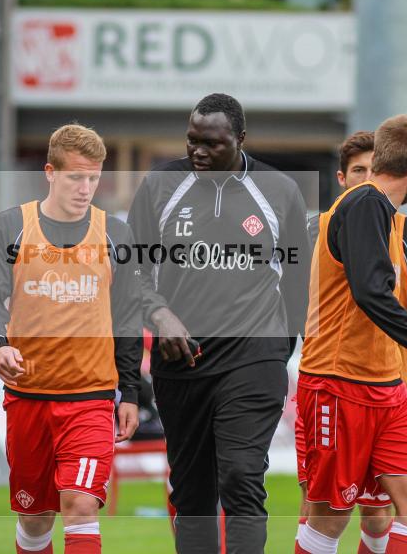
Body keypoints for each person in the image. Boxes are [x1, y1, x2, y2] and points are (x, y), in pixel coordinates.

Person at [127, 93, 311, 553]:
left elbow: (297, 285)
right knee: (191, 494)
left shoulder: (280, 190)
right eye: (191, 141)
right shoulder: (160, 185)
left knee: (241, 477)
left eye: (212, 143)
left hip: (254, 358)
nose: (199, 153)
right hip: (180, 362)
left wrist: (276, 353)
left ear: (240, 140)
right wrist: (159, 313)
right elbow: (129, 269)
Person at [296, 114, 407, 554]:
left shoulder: (393, 220)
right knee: (329, 518)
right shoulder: (364, 204)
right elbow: (372, 293)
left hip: (388, 388)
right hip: (339, 382)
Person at [0, 123, 142, 554]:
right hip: (28, 396)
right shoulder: (11, 227)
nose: (85, 188)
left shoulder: (115, 235)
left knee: (80, 505)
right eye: (75, 178)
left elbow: (127, 319)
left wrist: (131, 394)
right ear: (50, 172)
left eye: (93, 178)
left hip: (90, 397)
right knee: (34, 519)